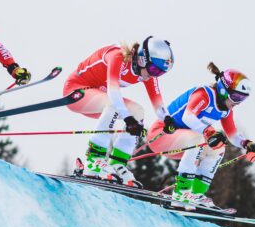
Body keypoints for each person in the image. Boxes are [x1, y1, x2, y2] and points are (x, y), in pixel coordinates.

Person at [146, 63, 255, 210]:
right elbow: (189, 117)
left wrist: (247, 144)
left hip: (184, 143)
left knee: (218, 149)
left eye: (242, 99)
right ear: (223, 90)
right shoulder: (204, 94)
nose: (237, 103)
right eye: (236, 97)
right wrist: (208, 132)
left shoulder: (225, 110)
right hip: (161, 135)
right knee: (199, 138)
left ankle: (195, 194)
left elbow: (232, 135)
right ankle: (181, 193)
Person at [64, 37, 176, 186]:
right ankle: (93, 160)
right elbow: (114, 92)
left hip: (100, 98)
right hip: (76, 92)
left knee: (138, 111)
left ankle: (117, 164)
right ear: (142, 59)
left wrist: (166, 118)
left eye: (160, 73)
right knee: (115, 105)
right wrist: (128, 120)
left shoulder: (146, 73)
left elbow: (157, 101)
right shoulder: (118, 56)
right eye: (154, 70)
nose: (154, 75)